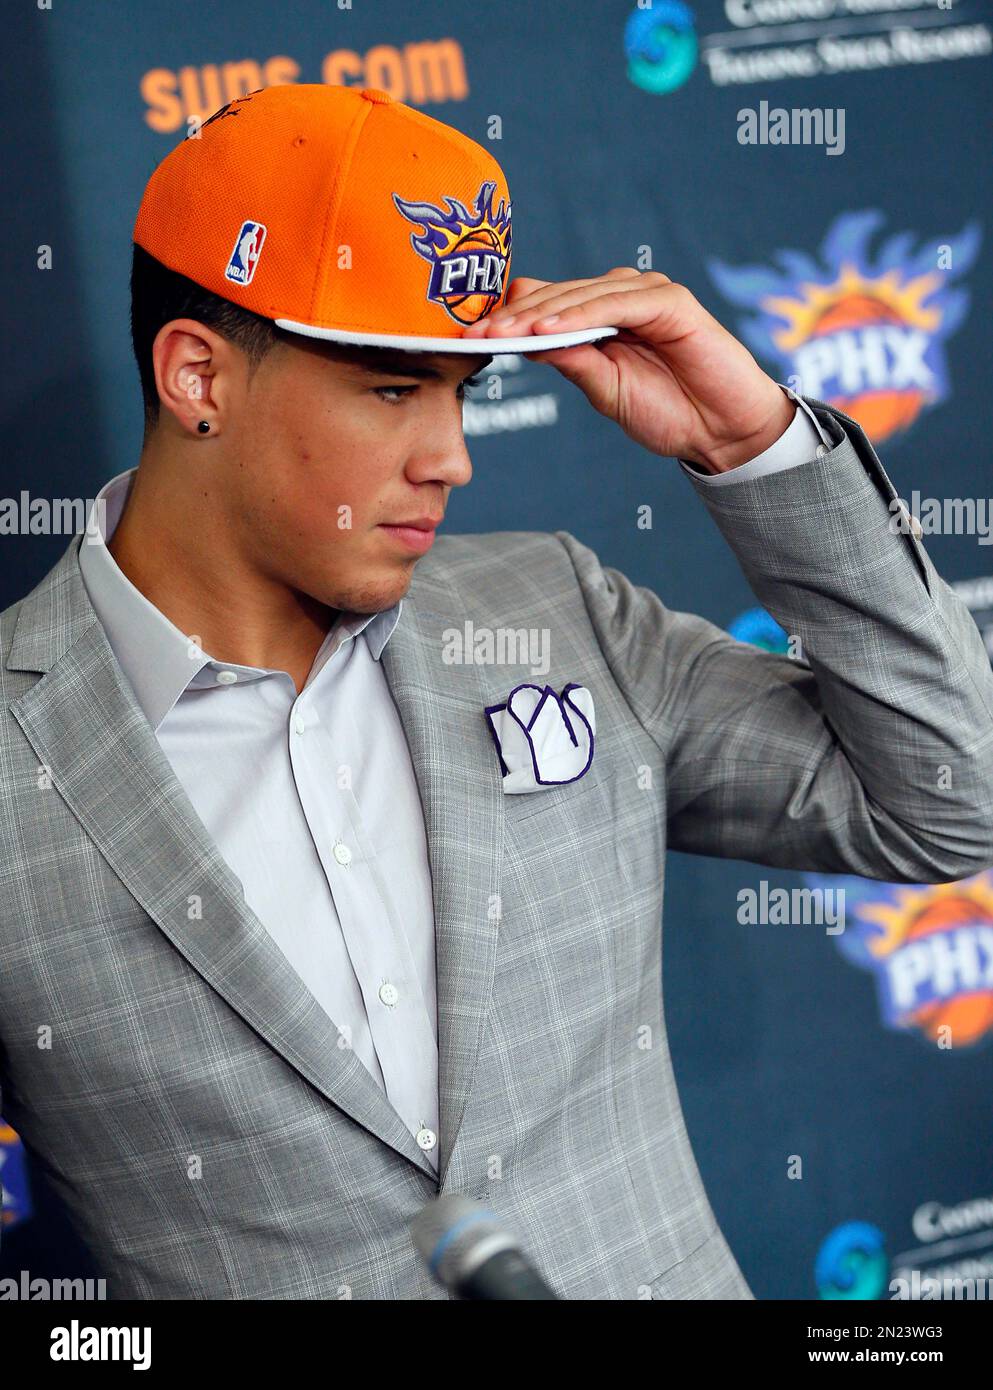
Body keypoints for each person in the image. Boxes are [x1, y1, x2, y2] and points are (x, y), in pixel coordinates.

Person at [1, 83, 991, 1301]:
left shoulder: (553, 609)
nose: (453, 455)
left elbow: (948, 800)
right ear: (199, 375)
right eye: (390, 388)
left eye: (462, 389)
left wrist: (755, 445)